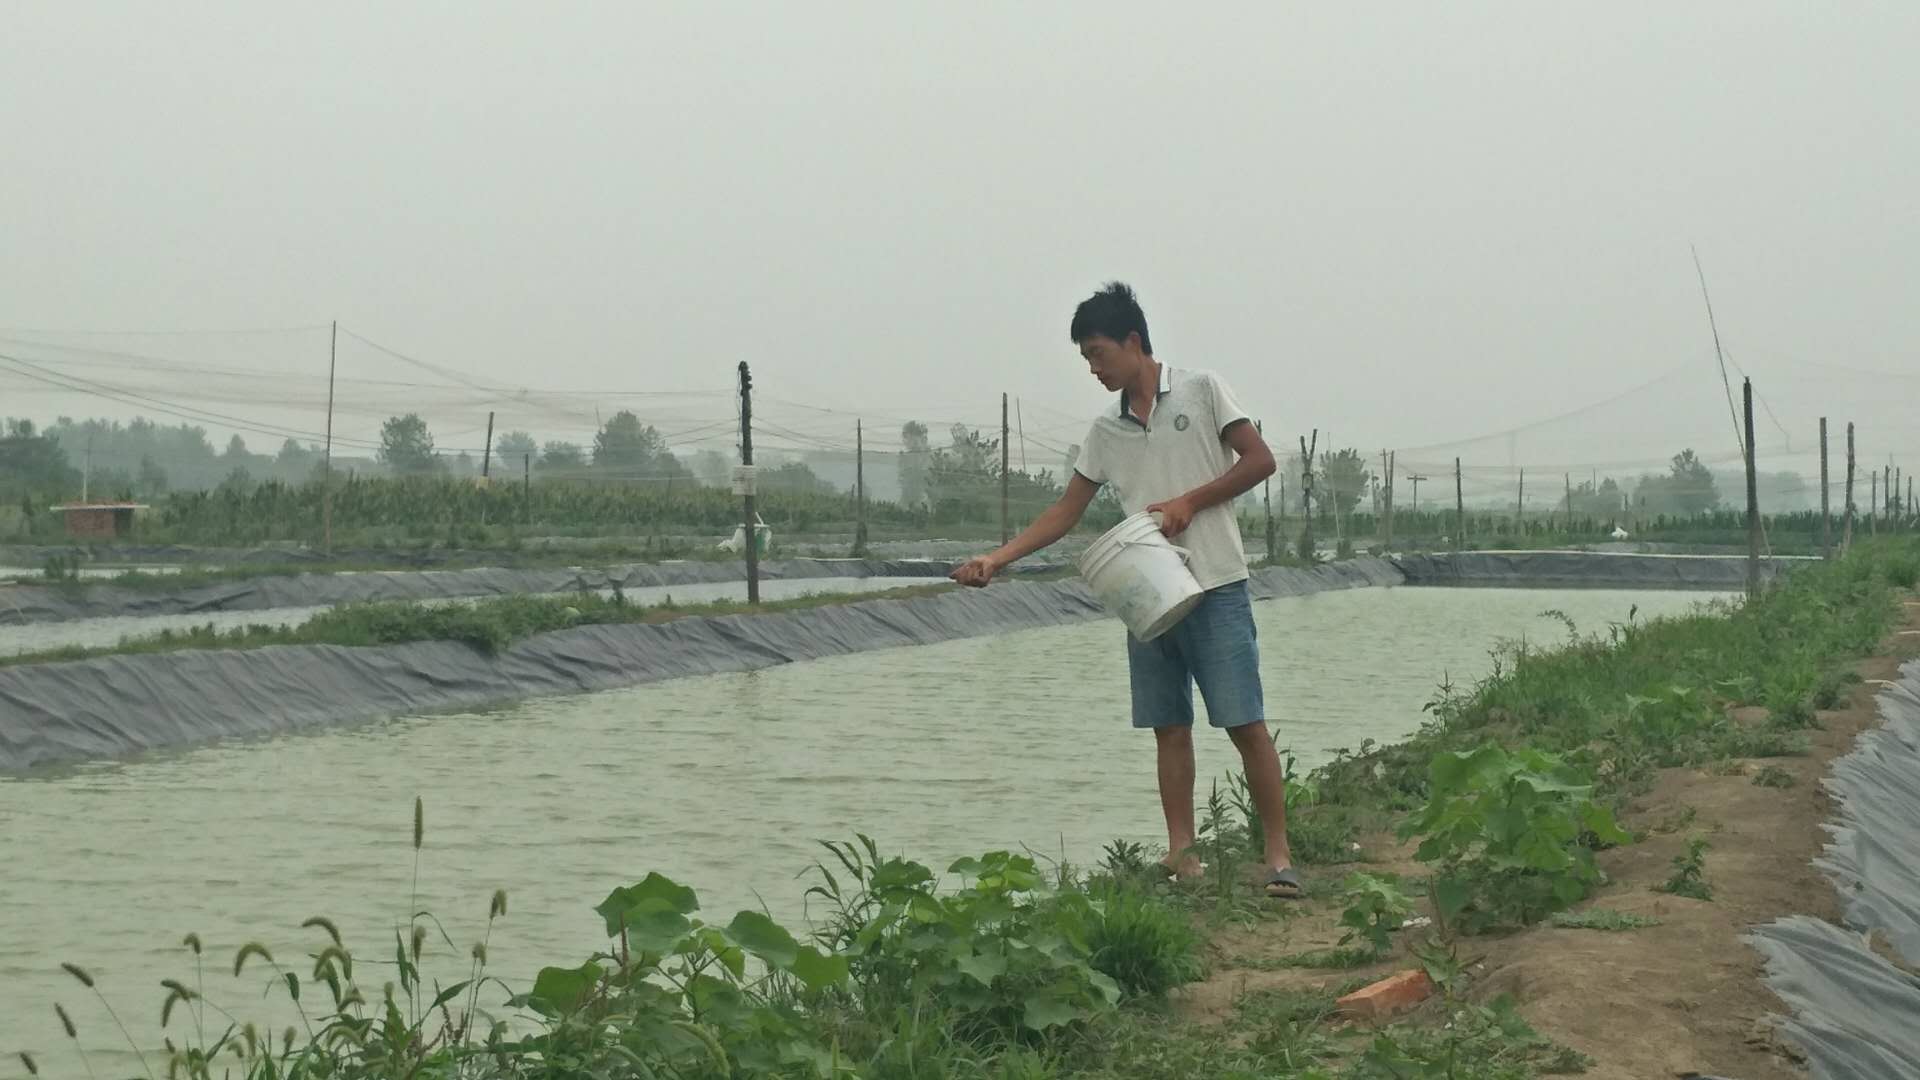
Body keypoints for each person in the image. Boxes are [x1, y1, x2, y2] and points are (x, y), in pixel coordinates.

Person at [951, 282, 1299, 898]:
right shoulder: (1106, 432)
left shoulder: (1201, 390)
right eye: (1086, 358)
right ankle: (1182, 855)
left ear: (1134, 342)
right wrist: (996, 558)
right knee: (1169, 726)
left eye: (1098, 353)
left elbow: (1259, 460)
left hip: (1215, 582)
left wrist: (1189, 502)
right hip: (1148, 593)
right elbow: (1066, 510)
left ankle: (1277, 857)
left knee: (1244, 722)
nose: (1093, 368)